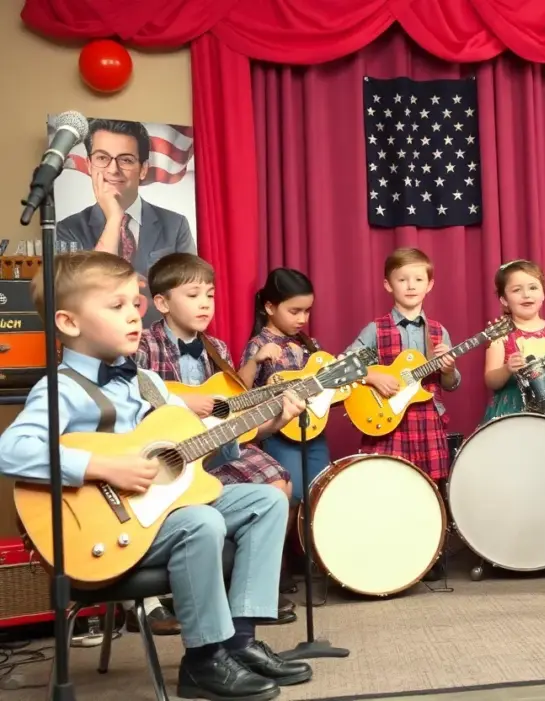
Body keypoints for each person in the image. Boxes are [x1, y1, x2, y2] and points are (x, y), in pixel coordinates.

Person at [0, 251, 312, 700]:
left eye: (135, 304)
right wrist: (103, 465)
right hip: (102, 531)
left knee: (266, 500)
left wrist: (269, 422)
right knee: (200, 522)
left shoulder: (147, 381)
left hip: (159, 509)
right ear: (69, 323)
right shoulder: (63, 388)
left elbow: (194, 441)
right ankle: (203, 661)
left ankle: (239, 642)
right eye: (116, 306)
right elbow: (12, 449)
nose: (132, 316)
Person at [137, 252, 299, 626]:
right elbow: (129, 394)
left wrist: (275, 421)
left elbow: (232, 423)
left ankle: (240, 599)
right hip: (162, 455)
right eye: (193, 294)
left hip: (214, 448)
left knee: (278, 483)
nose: (205, 303)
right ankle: (157, 599)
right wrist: (181, 402)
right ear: (161, 302)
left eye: (209, 294)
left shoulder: (219, 350)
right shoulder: (145, 344)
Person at [346, 247, 459, 580]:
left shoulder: (439, 332)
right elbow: (343, 366)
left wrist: (449, 367)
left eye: (418, 279)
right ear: (387, 285)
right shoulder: (375, 329)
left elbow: (451, 384)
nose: (411, 285)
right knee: (387, 486)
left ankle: (429, 553)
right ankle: (388, 550)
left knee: (430, 488)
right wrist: (371, 375)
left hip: (426, 420)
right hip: (389, 422)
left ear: (430, 284)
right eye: (402, 279)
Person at [56, 118, 196, 327]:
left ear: (142, 169)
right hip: (98, 344)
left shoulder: (175, 225)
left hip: (158, 347)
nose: (113, 169)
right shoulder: (68, 230)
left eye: (126, 160)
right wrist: (114, 218)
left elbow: (190, 295)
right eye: (102, 158)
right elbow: (83, 295)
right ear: (88, 165)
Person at [239, 268, 329, 503]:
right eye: (294, 311)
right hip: (278, 434)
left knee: (320, 493)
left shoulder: (309, 345)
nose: (302, 319)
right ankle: (284, 541)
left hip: (313, 429)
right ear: (270, 307)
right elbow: (239, 391)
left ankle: (308, 542)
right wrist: (255, 360)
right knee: (293, 496)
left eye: (307, 311)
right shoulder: (258, 344)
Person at [481, 259, 545, 428]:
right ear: (504, 300)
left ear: (543, 294)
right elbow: (490, 380)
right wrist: (507, 368)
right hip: (512, 411)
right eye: (517, 290)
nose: (526, 295)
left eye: (533, 288)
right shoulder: (500, 334)